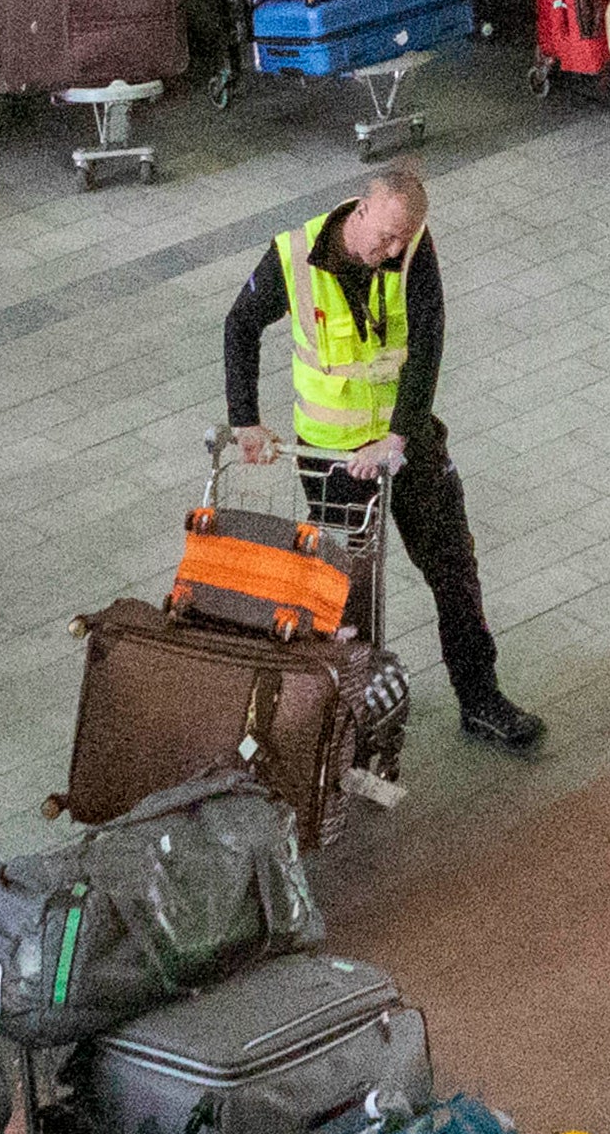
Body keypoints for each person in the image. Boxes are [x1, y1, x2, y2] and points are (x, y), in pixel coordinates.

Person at [225, 163, 546, 752]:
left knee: (453, 569)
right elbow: (240, 324)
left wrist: (397, 440)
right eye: (386, 237)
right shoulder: (294, 256)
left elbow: (428, 340)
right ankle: (354, 722)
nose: (394, 249)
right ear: (361, 211)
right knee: (350, 597)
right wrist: (245, 419)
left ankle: (481, 701)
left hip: (408, 445)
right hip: (332, 458)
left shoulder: (412, 250)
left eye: (405, 238)